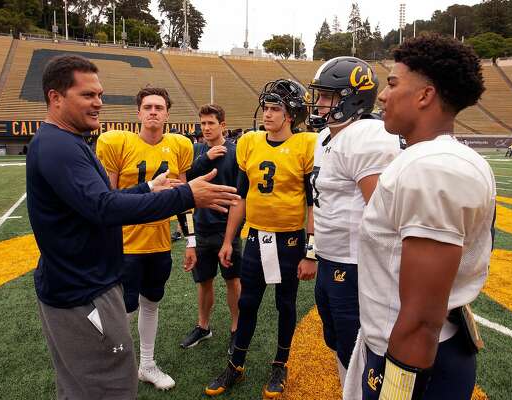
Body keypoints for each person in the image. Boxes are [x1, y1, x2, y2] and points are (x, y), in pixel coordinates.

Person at [27, 54, 239, 400]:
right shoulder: (60, 145)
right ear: (55, 97)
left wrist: (148, 189)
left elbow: (97, 199)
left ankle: (149, 362)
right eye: (87, 95)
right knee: (109, 379)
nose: (98, 103)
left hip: (93, 275)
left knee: (90, 378)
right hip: (83, 288)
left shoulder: (69, 141)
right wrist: (186, 194)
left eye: (100, 95)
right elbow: (103, 205)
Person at [343, 34, 496, 400]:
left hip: (415, 359)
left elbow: (422, 316)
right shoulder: (436, 158)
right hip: (423, 345)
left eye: (393, 83)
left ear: (425, 96)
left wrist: (396, 387)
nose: (382, 95)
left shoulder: (433, 169)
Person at [204, 79, 317, 398]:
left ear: (291, 114)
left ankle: (280, 364)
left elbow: (313, 202)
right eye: (265, 108)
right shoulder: (251, 142)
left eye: (275, 109)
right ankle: (235, 365)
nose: (267, 114)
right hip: (257, 237)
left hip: (291, 241)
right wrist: (228, 240)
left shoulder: (305, 145)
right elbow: (240, 197)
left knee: (285, 303)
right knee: (248, 301)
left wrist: (311, 251)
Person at [306, 57, 400, 389]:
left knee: (358, 347)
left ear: (352, 98)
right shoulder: (325, 138)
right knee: (338, 341)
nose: (319, 103)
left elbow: (382, 213)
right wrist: (313, 250)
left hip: (357, 266)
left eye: (328, 96)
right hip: (330, 260)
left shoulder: (366, 136)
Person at [96, 87, 193, 391]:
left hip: (159, 242)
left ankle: (146, 364)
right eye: (148, 107)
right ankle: (113, 365)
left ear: (167, 114)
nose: (153, 112)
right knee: (119, 309)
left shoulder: (179, 146)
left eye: (159, 107)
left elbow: (185, 199)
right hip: (124, 244)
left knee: (152, 302)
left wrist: (191, 240)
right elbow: (106, 199)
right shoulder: (118, 143)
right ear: (138, 113)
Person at [180, 104, 242, 354]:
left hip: (227, 228)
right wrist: (206, 158)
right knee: (204, 281)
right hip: (202, 227)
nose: (206, 128)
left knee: (232, 280)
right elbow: (185, 182)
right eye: (203, 123)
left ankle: (237, 329)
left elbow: (240, 196)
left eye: (211, 123)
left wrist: (231, 235)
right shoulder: (196, 151)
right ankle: (203, 326)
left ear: (222, 125)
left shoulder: (236, 153)